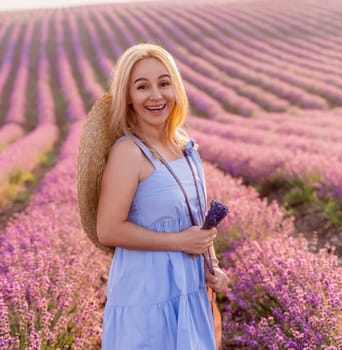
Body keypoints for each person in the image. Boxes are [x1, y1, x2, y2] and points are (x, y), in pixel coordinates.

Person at [77, 43, 229, 350]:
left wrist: (212, 266)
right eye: (142, 87)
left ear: (176, 88)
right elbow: (108, 229)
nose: (156, 95)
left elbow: (194, 218)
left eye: (164, 83)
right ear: (129, 98)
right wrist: (179, 242)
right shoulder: (128, 153)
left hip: (189, 286)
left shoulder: (186, 147)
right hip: (147, 291)